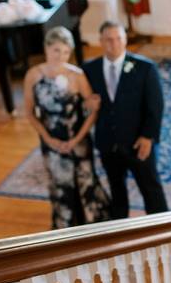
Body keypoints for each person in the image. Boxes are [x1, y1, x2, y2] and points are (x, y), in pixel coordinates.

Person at [24, 26, 110, 229]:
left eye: (65, 52)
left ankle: (92, 228)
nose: (60, 56)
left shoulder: (77, 75)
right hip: (51, 142)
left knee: (85, 184)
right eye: (56, 51)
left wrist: (77, 139)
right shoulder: (33, 76)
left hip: (78, 141)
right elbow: (29, 112)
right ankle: (64, 230)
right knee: (60, 187)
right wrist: (47, 138)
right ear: (46, 49)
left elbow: (92, 111)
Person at [82, 21, 168, 218]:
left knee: (150, 187)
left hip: (137, 142)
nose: (114, 44)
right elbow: (83, 102)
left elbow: (155, 106)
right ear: (101, 41)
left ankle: (163, 226)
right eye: (109, 40)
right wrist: (88, 105)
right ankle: (119, 230)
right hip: (108, 144)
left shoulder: (145, 68)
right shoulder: (90, 69)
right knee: (116, 189)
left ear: (125, 39)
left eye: (118, 38)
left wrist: (148, 137)